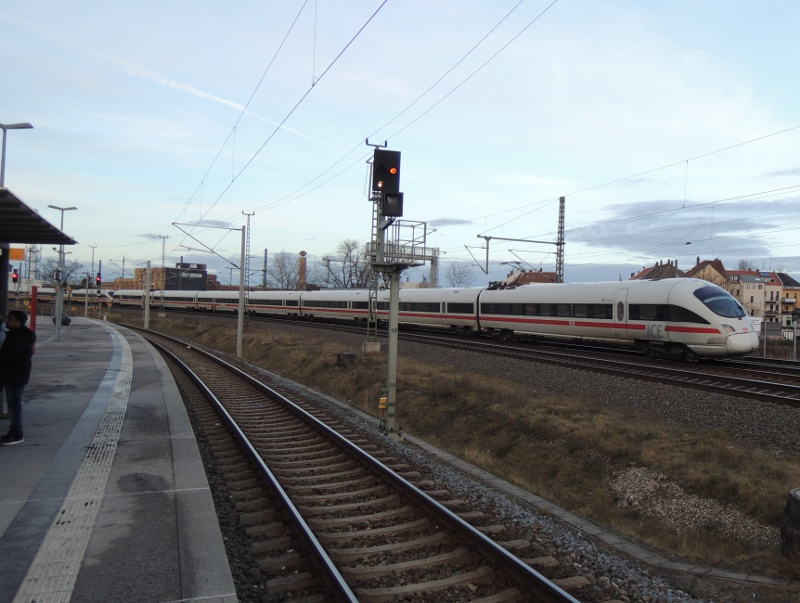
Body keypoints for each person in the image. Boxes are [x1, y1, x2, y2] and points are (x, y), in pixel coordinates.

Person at [0, 310, 36, 445]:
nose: (7, 321)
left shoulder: (17, 338)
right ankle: (14, 432)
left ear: (18, 322)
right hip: (16, 375)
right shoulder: (18, 335)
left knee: (14, 406)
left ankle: (17, 434)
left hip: (14, 376)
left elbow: (10, 358)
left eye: (10, 319)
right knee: (14, 405)